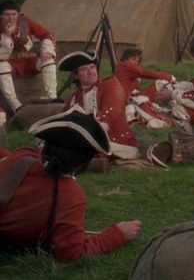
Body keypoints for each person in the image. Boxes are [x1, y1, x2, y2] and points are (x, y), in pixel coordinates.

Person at [0, 107, 141, 261]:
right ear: (82, 164)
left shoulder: (22, 155)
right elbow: (70, 252)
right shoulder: (71, 195)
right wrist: (118, 234)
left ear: (44, 146)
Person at [59, 51, 140, 160]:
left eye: (92, 67)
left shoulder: (110, 84)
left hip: (118, 143)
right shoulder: (73, 98)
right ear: (76, 75)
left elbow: (112, 110)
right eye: (84, 69)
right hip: (87, 141)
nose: (90, 71)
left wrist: (90, 130)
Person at [0, 0, 58, 113]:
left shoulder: (25, 21)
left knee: (48, 62)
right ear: (0, 16)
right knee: (1, 67)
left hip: (29, 61)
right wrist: (6, 36)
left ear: (18, 14)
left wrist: (47, 51)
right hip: (10, 63)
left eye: (14, 14)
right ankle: (15, 104)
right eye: (7, 15)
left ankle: (52, 98)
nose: (11, 18)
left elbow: (47, 34)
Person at [114, 47, 176, 129]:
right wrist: (170, 77)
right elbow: (146, 73)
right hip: (125, 101)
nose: (135, 63)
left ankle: (170, 107)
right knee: (162, 83)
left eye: (137, 61)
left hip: (126, 99)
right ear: (125, 59)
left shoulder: (121, 67)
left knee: (153, 90)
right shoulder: (126, 66)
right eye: (133, 59)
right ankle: (174, 107)